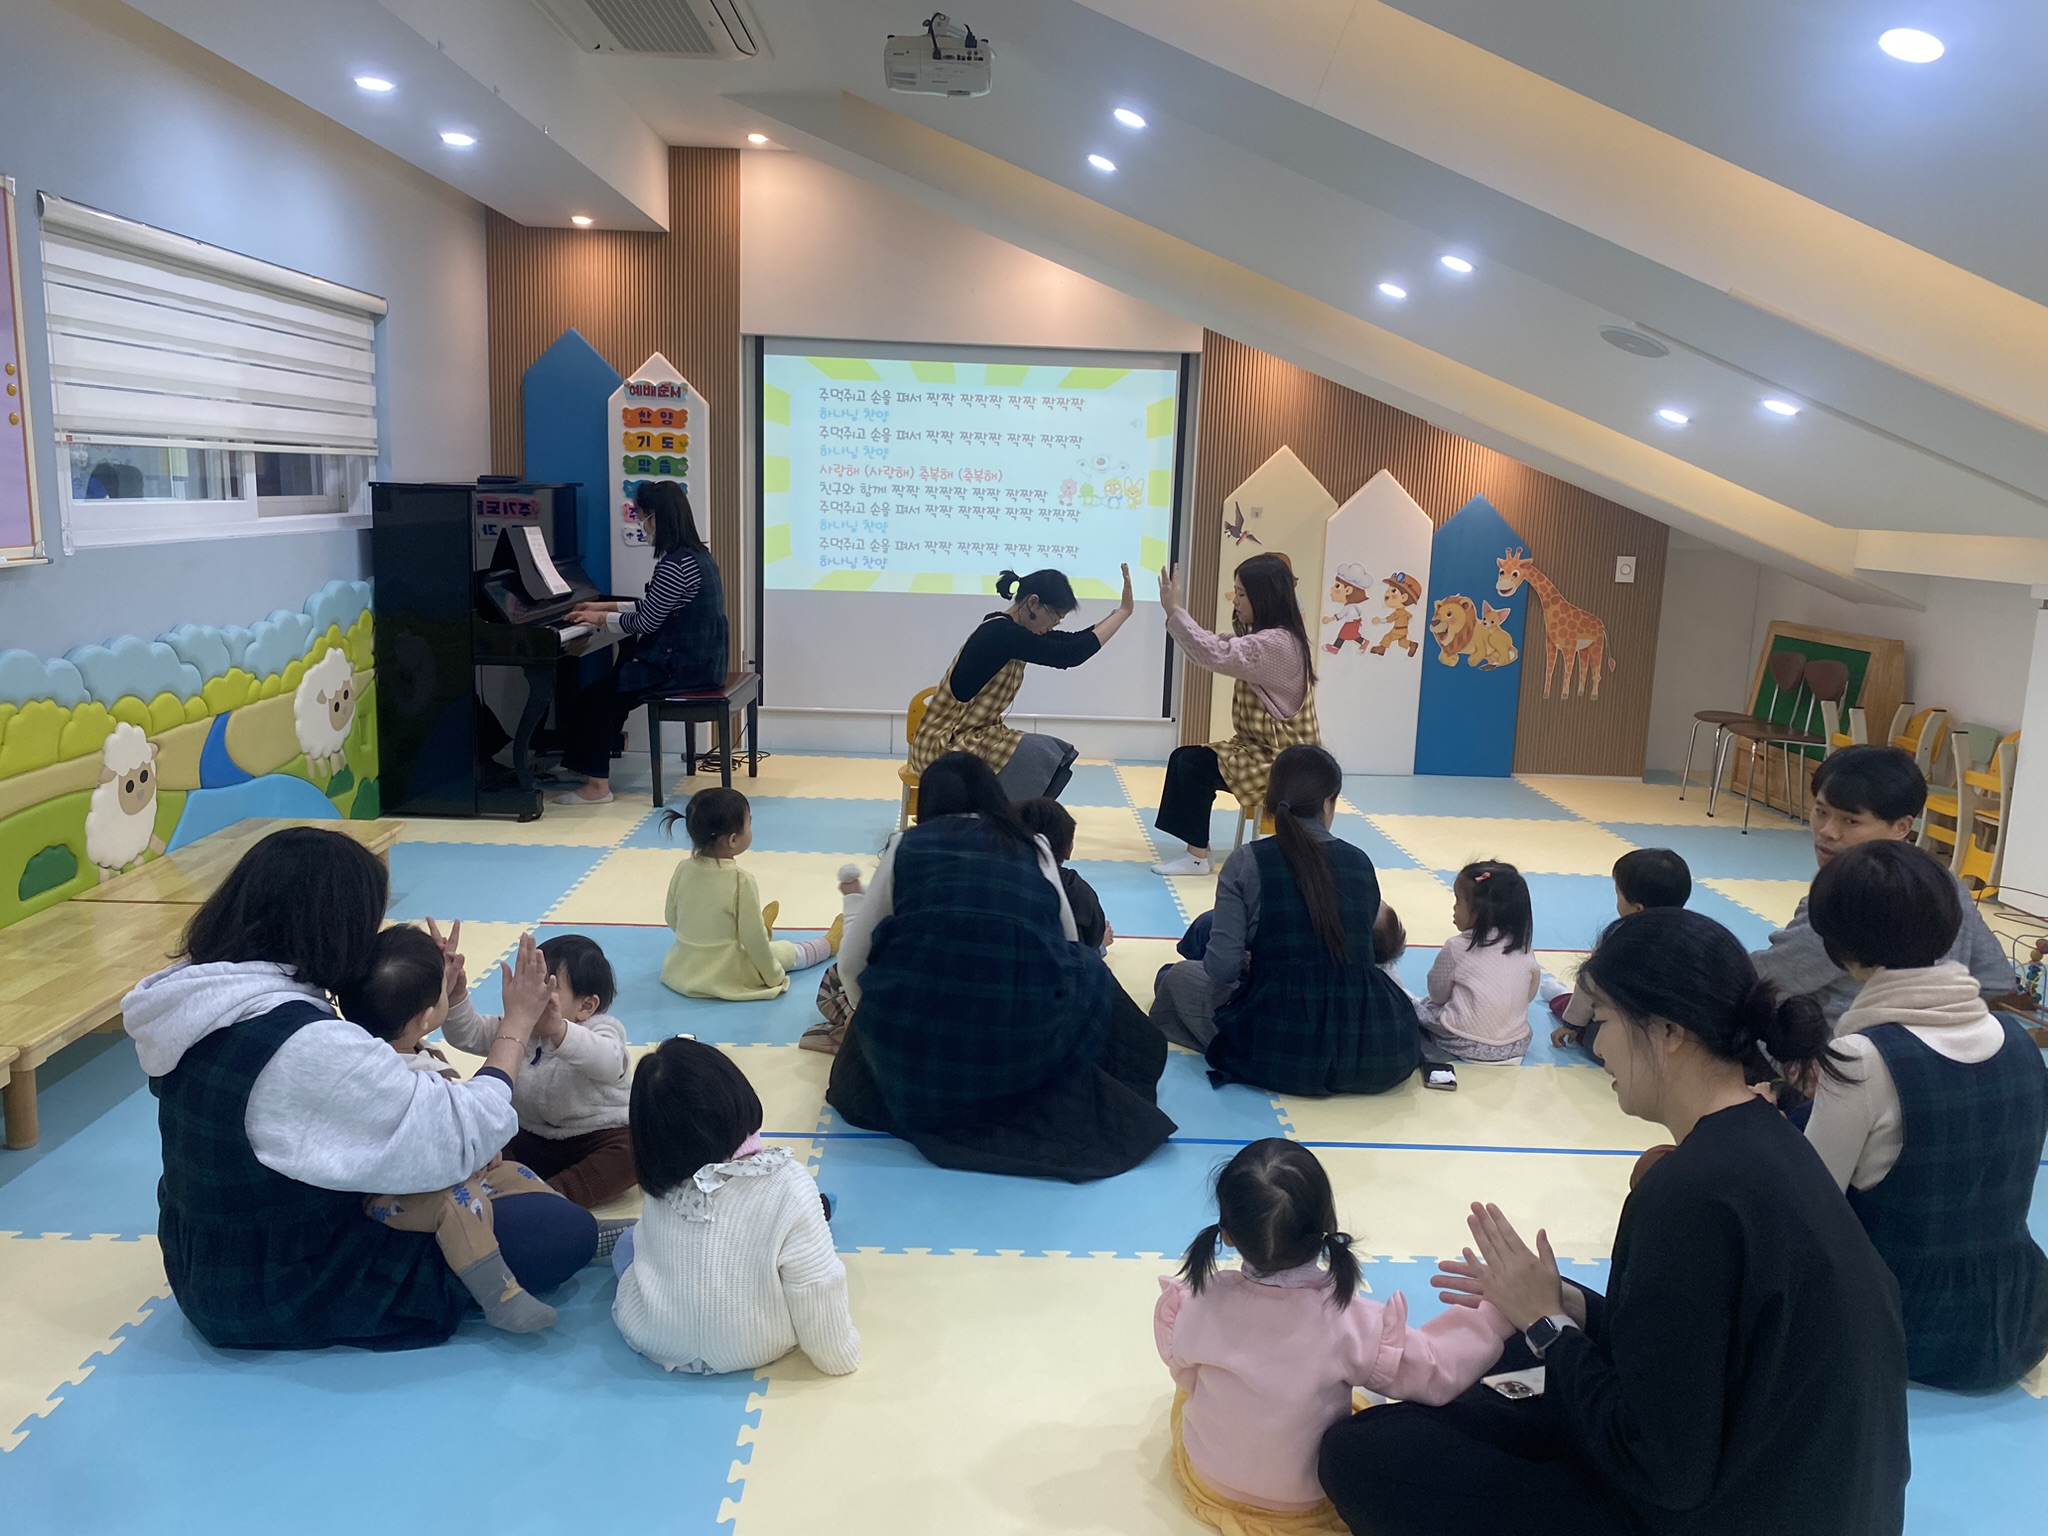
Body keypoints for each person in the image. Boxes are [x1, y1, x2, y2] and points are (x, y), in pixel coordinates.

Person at [1317, 907, 1909, 1536]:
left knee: (1361, 1453)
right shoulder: (1771, 1141)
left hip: (1708, 1505)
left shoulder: (1687, 1195)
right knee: (1506, 1347)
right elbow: (1692, 1352)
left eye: (1604, 1019)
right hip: (1800, 1493)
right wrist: (1562, 1303)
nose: (1597, 1045)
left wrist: (1546, 1325)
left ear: (1668, 1030)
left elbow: (1663, 1469)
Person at [123, 827, 596, 1351]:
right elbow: (464, 1133)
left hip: (205, 1257)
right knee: (557, 1232)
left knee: (506, 1191)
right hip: (278, 1284)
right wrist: (518, 1024)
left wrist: (420, 996)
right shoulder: (304, 1042)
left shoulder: (205, 993)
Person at [826, 751, 1175, 1181]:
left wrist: (871, 1020)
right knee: (1088, 967)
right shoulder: (1035, 847)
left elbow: (852, 962)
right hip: (1023, 1044)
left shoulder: (906, 846)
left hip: (923, 1055)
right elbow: (1066, 945)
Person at [1156, 1139, 1512, 1534]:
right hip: (1309, 1500)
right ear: (1327, 1226)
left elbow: (1184, 1374)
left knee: (1188, 1390)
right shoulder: (1353, 1322)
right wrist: (1495, 1314)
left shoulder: (1196, 1301)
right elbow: (1438, 1371)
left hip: (1212, 1481)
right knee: (1373, 1401)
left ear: (1227, 1234)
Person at [1802, 839, 2048, 1391]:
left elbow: (1809, 1205)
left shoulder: (1859, 1057)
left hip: (1901, 1322)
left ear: (1841, 948)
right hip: (2021, 1316)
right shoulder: (2019, 1041)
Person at [1151, 745, 1421, 1097]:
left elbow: (1222, 969)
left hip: (1279, 1040)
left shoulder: (1246, 861)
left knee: (1175, 977)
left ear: (1272, 799)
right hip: (1368, 1040)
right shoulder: (1359, 861)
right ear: (1328, 802)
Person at [340, 925, 560, 1333]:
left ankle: (571, 1217)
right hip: (395, 1197)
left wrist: (444, 985)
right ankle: (500, 1296)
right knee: (459, 1203)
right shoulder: (402, 1076)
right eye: (441, 989)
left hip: (444, 1171)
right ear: (426, 1017)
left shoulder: (397, 1049)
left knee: (514, 1172)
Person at [612, 1038, 859, 1376]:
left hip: (654, 1336)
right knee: (801, 1245)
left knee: (628, 1245)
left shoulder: (662, 1180)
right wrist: (839, 1356)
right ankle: (819, 1211)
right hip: (754, 1343)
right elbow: (816, 1283)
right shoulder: (788, 1182)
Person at [1752, 744, 2013, 1027]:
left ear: (1901, 827)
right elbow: (1997, 980)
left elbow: (1761, 980)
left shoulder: (1849, 894)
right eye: (1821, 811)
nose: (1827, 831)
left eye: (1850, 820)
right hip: (1938, 1044)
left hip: (1839, 1043)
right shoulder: (1945, 882)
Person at [436, 925, 636, 1209]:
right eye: (529, 985)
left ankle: (554, 1195)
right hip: (529, 1136)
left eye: (546, 989)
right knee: (482, 1130)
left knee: (634, 1152)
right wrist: (455, 995)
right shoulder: (518, 1025)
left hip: (593, 1136)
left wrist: (559, 1030)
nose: (532, 996)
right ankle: (508, 1187)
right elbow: (467, 1034)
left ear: (586, 1007)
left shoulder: (602, 1029)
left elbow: (609, 1061)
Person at [555, 481, 728, 805]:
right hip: (700, 662)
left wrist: (599, 619)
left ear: (657, 517)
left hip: (682, 669)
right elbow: (655, 606)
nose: (640, 524)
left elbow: (647, 621)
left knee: (596, 699)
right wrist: (604, 607)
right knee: (610, 688)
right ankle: (586, 767)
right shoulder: (697, 556)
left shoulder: (675, 566)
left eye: (641, 516)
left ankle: (597, 786)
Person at [1151, 555, 1321, 877]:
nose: (1235, 600)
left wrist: (1174, 611)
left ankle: (1197, 857)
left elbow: (1214, 652)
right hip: (1263, 751)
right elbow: (1218, 644)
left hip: (1285, 761)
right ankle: (1197, 852)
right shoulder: (1271, 638)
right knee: (1186, 759)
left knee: (1191, 765)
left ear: (1264, 596)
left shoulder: (1276, 644)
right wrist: (1176, 614)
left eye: (1242, 593)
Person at [906, 565, 1136, 801]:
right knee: (1041, 756)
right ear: (1033, 603)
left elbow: (1071, 641)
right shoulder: (1001, 634)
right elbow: (1069, 655)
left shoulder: (1012, 629)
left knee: (1055, 758)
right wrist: (1123, 613)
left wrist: (1118, 613)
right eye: (1054, 618)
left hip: (975, 735)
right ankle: (1005, 816)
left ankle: (1007, 815)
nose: (1052, 627)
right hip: (944, 745)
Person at [660, 787, 839, 1001]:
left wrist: (699, 939)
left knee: (747, 932)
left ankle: (760, 927)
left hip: (682, 967)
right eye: (749, 823)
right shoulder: (740, 880)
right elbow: (754, 940)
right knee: (785, 951)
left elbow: (671, 916)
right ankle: (829, 944)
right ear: (733, 840)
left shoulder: (683, 868)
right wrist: (773, 976)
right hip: (727, 972)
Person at [1549, 848, 1692, 1055]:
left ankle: (1560, 998)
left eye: (1618, 894)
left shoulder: (1618, 938)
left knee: (1582, 1019)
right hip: (1673, 1043)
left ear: (1638, 909)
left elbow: (1589, 983)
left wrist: (1572, 1024)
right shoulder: (1694, 938)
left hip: (1628, 1042)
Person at [1414, 862, 1539, 1087]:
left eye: (1458, 901)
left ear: (1479, 910)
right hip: (1515, 1045)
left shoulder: (1457, 947)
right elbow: (1529, 994)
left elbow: (1437, 995)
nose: (1454, 908)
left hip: (1464, 1043)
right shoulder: (1523, 947)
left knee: (1415, 1007)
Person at [1016, 796, 1110, 952]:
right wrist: (1100, 944)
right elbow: (1094, 934)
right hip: (1058, 961)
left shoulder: (1002, 877)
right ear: (1068, 849)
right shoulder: (1073, 887)